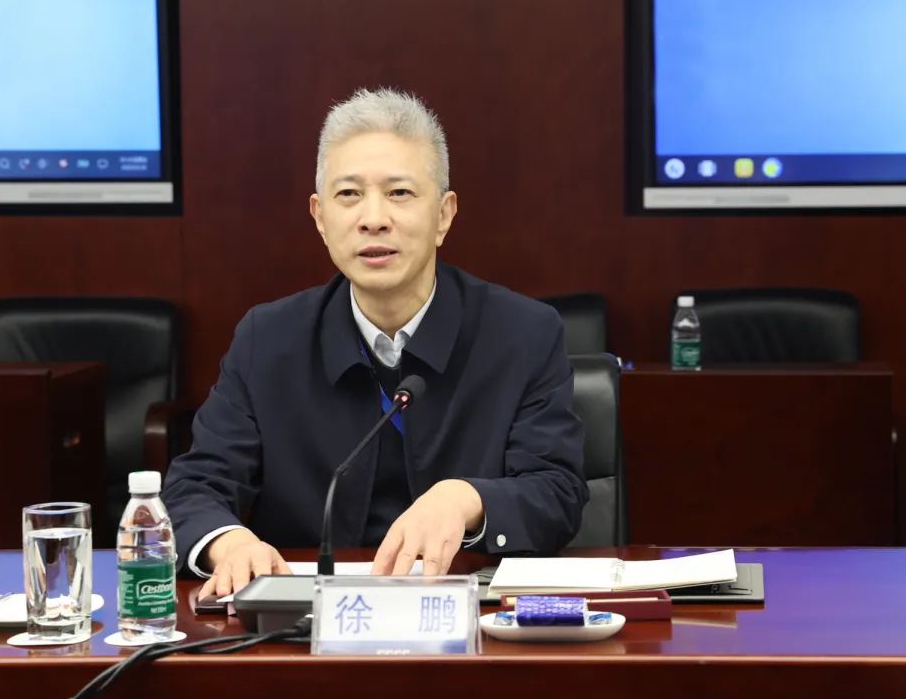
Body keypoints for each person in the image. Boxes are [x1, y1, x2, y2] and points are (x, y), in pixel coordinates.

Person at [163, 88, 588, 599]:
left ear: (444, 215)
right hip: (307, 625)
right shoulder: (268, 340)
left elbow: (557, 492)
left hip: (472, 618)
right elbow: (195, 485)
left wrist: (466, 499)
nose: (373, 218)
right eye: (349, 195)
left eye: (399, 193)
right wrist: (228, 543)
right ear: (320, 218)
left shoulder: (522, 333)